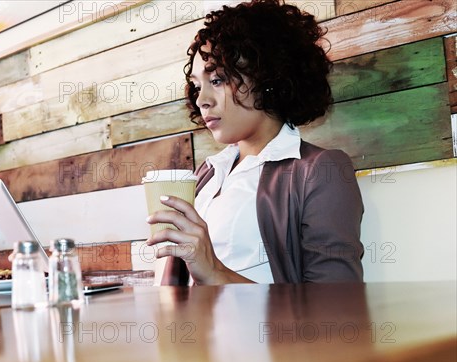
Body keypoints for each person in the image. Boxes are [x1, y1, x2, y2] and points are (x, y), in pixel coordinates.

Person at [145, 0, 364, 285]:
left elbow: (336, 307)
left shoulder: (321, 170)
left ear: (266, 76)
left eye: (218, 79)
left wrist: (214, 271)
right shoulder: (207, 174)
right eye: (198, 86)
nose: (201, 100)